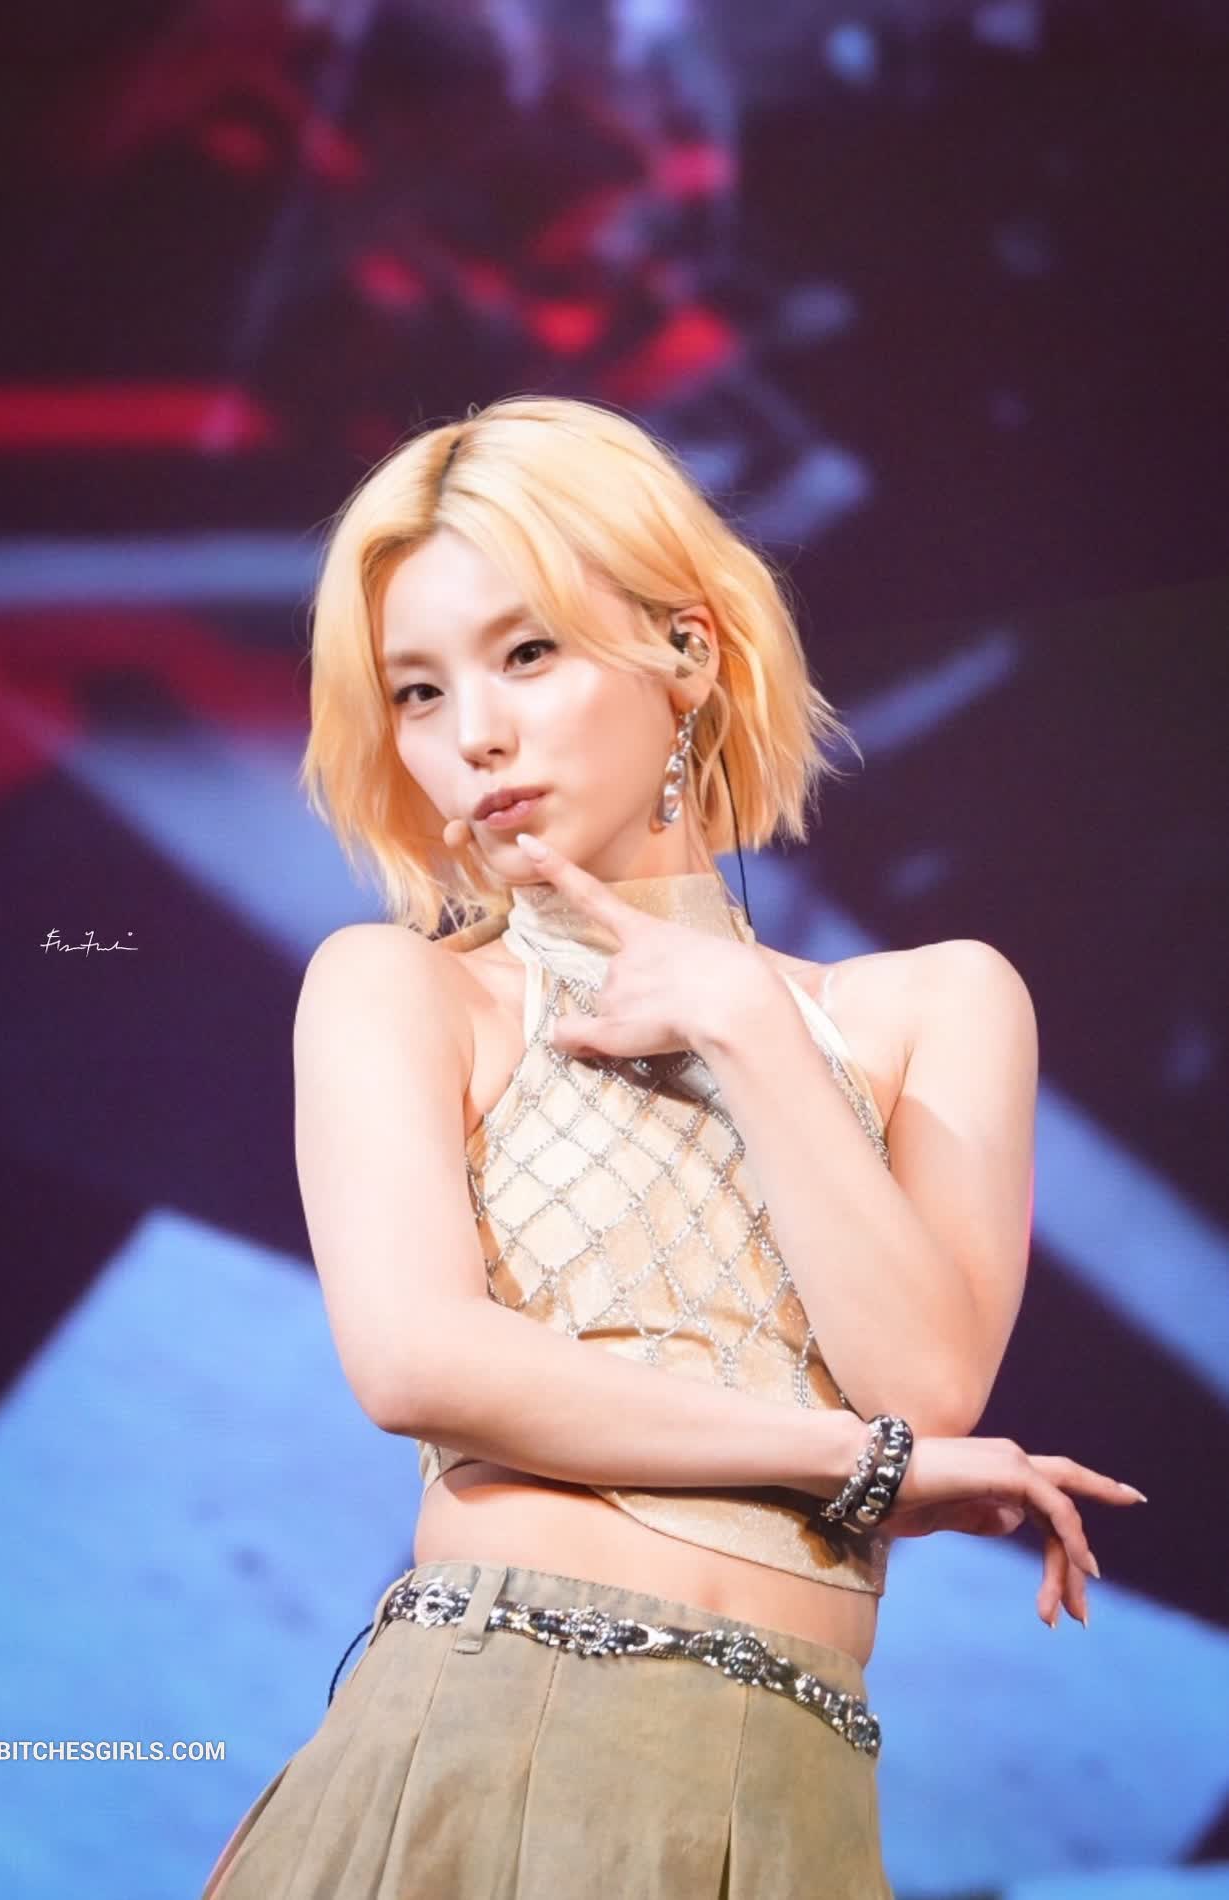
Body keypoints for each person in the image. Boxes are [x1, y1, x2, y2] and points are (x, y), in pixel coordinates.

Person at [200, 395, 1146, 1899]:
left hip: (789, 1803)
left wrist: (747, 1023)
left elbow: (927, 1387)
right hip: (467, 1752)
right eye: (419, 692)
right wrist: (853, 1464)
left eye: (527, 653)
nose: (475, 733)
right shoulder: (399, 988)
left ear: (686, 653)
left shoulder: (940, 1004)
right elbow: (418, 1363)